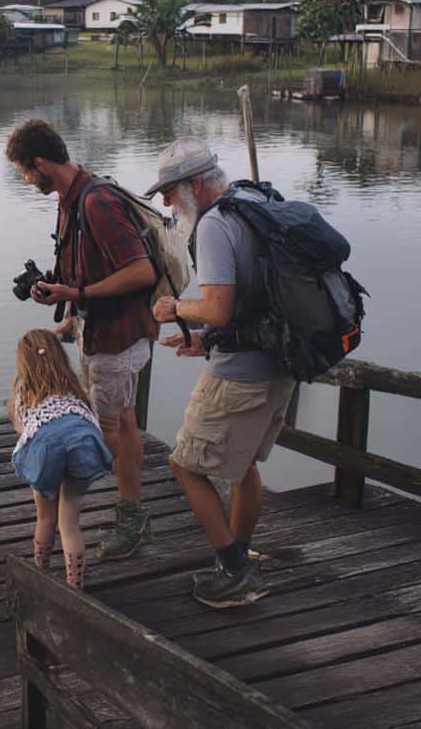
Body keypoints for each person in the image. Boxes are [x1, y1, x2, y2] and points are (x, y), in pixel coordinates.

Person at [146, 138, 296, 609]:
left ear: (194, 186)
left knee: (184, 465)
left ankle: (235, 573)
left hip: (239, 376)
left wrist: (174, 308)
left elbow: (218, 307)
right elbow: (253, 301)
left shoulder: (213, 224)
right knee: (242, 464)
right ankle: (238, 556)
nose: (166, 203)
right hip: (280, 363)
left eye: (169, 192)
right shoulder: (255, 199)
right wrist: (206, 339)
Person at [5, 118, 158, 561]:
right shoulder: (69, 199)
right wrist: (63, 298)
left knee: (108, 429)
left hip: (118, 337)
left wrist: (78, 295)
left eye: (24, 172)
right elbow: (86, 269)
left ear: (39, 163)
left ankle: (103, 517)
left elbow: (142, 271)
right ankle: (128, 514)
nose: (26, 180)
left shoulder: (96, 202)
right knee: (122, 422)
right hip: (97, 331)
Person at [10, 329, 114, 590]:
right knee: (69, 524)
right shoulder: (76, 387)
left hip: (45, 447)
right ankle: (74, 586)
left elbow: (23, 430)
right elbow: (93, 418)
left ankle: (41, 570)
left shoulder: (23, 391)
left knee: (45, 517)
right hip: (83, 444)